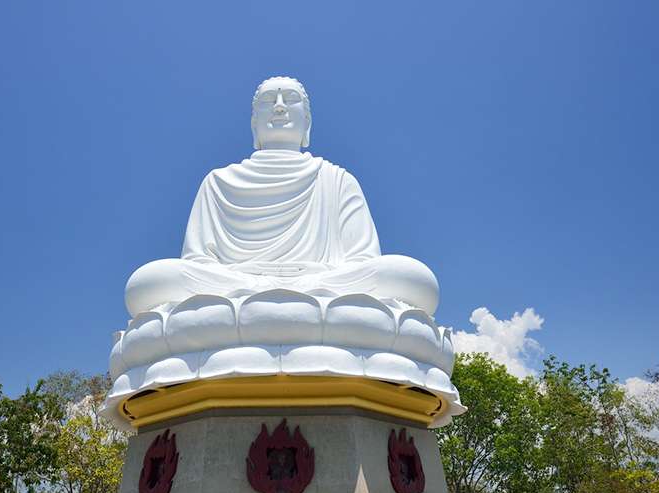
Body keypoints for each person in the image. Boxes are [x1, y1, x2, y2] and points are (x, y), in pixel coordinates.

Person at [123, 76, 441, 318]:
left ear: (308, 123)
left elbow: (363, 262)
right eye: (267, 101)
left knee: (409, 277)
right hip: (246, 288)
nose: (278, 106)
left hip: (318, 285)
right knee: (149, 283)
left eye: (290, 99)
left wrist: (313, 277)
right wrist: (248, 279)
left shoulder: (337, 180)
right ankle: (275, 301)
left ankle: (265, 303)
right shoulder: (217, 182)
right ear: (253, 124)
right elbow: (197, 263)